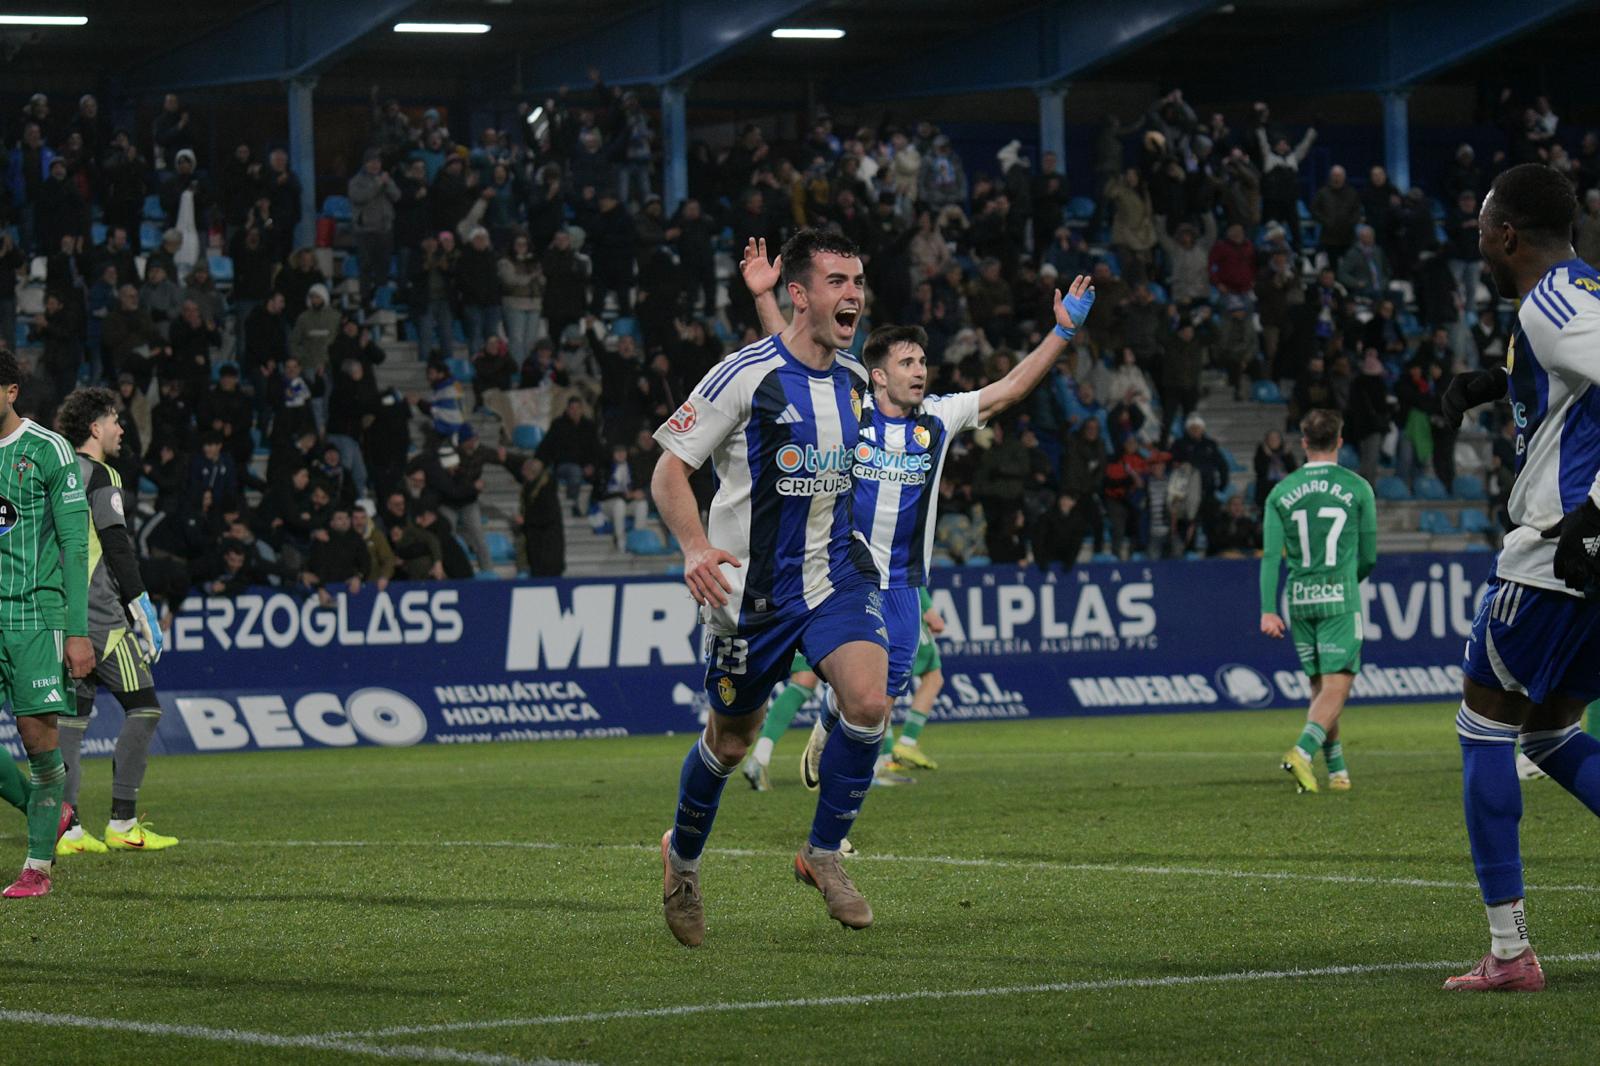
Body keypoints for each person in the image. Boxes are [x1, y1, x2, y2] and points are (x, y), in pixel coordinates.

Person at [740, 238, 1095, 785]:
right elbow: (787, 359)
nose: (920, 370)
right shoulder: (848, 402)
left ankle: (829, 722)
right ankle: (830, 836)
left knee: (877, 706)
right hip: (844, 580)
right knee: (863, 707)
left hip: (906, 584)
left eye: (923, 361)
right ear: (877, 374)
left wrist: (1062, 332)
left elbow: (1012, 389)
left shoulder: (939, 417)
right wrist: (767, 299)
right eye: (907, 362)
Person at [650, 228, 889, 947]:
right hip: (750, 598)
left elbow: (804, 379)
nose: (853, 294)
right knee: (729, 744)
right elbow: (668, 471)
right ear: (801, 293)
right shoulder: (737, 377)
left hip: (833, 577)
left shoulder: (852, 381)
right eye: (838, 282)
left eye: (857, 281)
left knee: (870, 700)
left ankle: (822, 854)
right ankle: (682, 861)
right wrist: (695, 546)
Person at [1432, 164, 1600, 993]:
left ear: (1506, 234)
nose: (1477, 241)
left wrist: (1596, 509)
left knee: (1484, 728)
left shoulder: (1555, 300)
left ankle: (1508, 951)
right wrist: (1498, 385)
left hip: (1558, 552)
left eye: (1482, 227)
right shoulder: (1571, 296)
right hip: (1587, 560)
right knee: (1552, 731)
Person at [54, 388, 177, 856]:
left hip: (62, 615)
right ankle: (123, 821)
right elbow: (117, 544)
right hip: (101, 615)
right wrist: (141, 604)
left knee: (71, 722)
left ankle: (68, 831)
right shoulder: (103, 475)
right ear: (94, 428)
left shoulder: (60, 473)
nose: (121, 429)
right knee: (145, 709)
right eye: (114, 420)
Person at [0, 351, 94, 896]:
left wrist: (77, 630)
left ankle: (37, 867)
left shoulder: (47, 450)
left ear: (12, 391)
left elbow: (76, 543)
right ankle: (48, 812)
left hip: (34, 616)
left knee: (38, 742)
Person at [1260, 409, 1376, 798]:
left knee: (1320, 688)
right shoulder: (1358, 488)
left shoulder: (1280, 492)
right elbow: (1369, 557)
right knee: (1337, 688)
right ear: (1340, 441)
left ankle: (1338, 770)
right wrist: (1346, 582)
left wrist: (1267, 609)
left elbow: (1270, 557)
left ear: (1304, 443)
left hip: (1300, 599)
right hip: (1338, 596)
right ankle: (1302, 751)